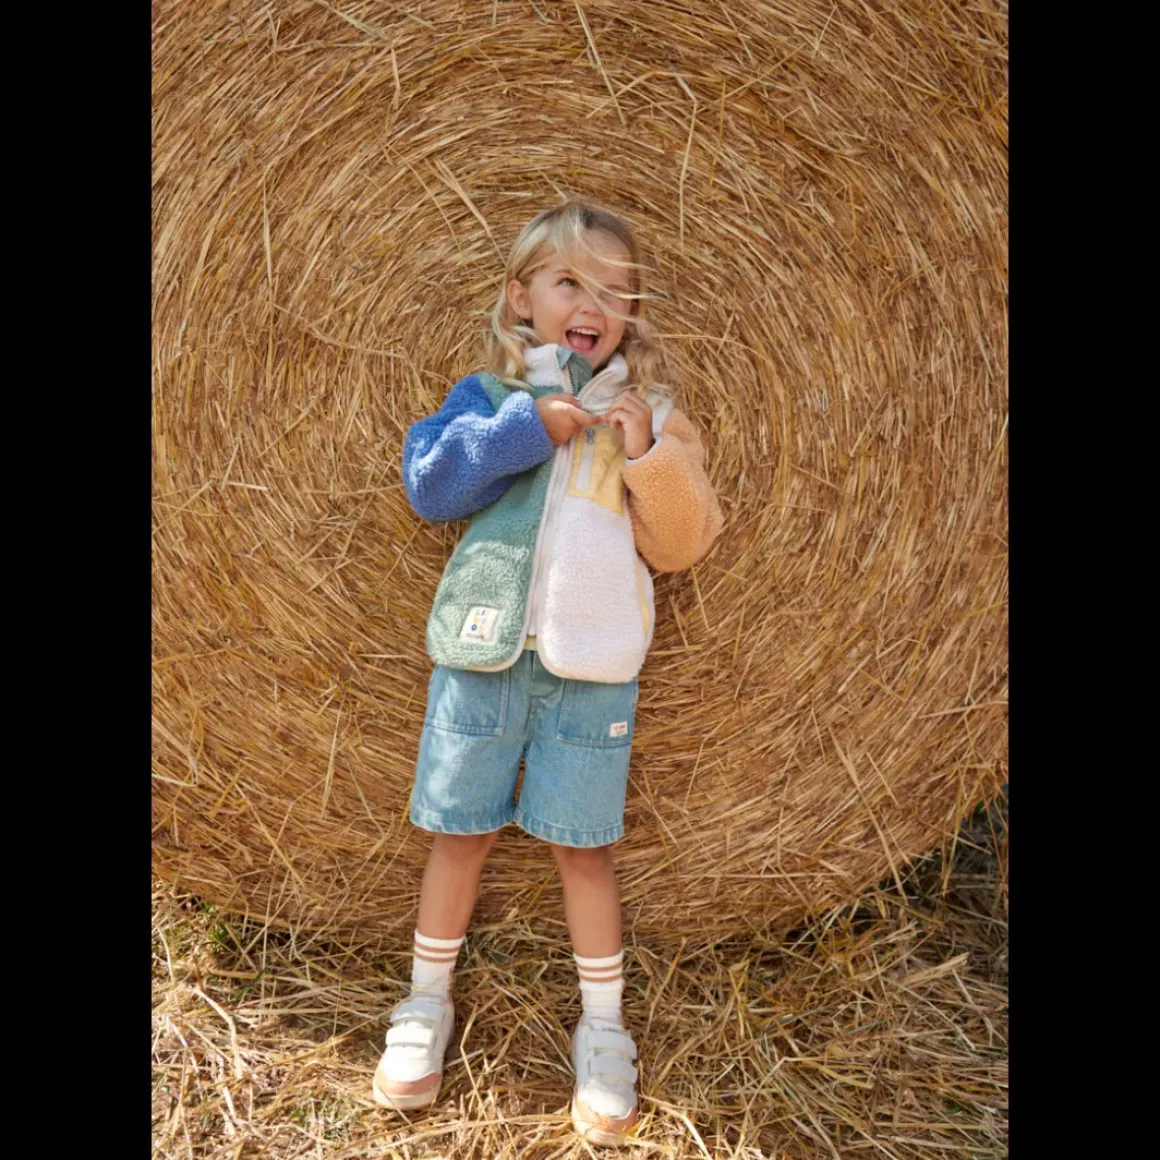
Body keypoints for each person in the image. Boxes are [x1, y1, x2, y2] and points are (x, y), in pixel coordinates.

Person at [373, 198, 724, 1146]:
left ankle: (604, 1031)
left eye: (614, 289)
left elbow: (683, 543)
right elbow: (430, 485)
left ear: (632, 314)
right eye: (570, 281)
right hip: (482, 651)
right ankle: (424, 1004)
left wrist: (644, 452)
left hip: (592, 672)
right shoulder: (490, 399)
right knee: (459, 834)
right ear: (520, 298)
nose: (592, 303)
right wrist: (528, 428)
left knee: (583, 849)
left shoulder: (654, 419)